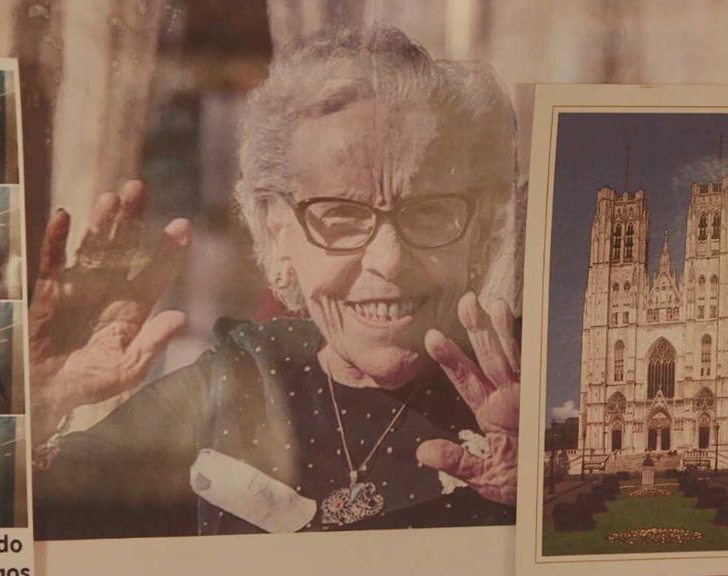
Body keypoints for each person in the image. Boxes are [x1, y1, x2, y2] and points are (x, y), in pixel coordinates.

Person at [31, 27, 519, 539]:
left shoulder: (531, 388)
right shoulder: (236, 382)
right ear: (277, 231)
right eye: (341, 217)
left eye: (431, 213)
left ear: (479, 230)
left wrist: (548, 491)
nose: (390, 260)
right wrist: (40, 402)